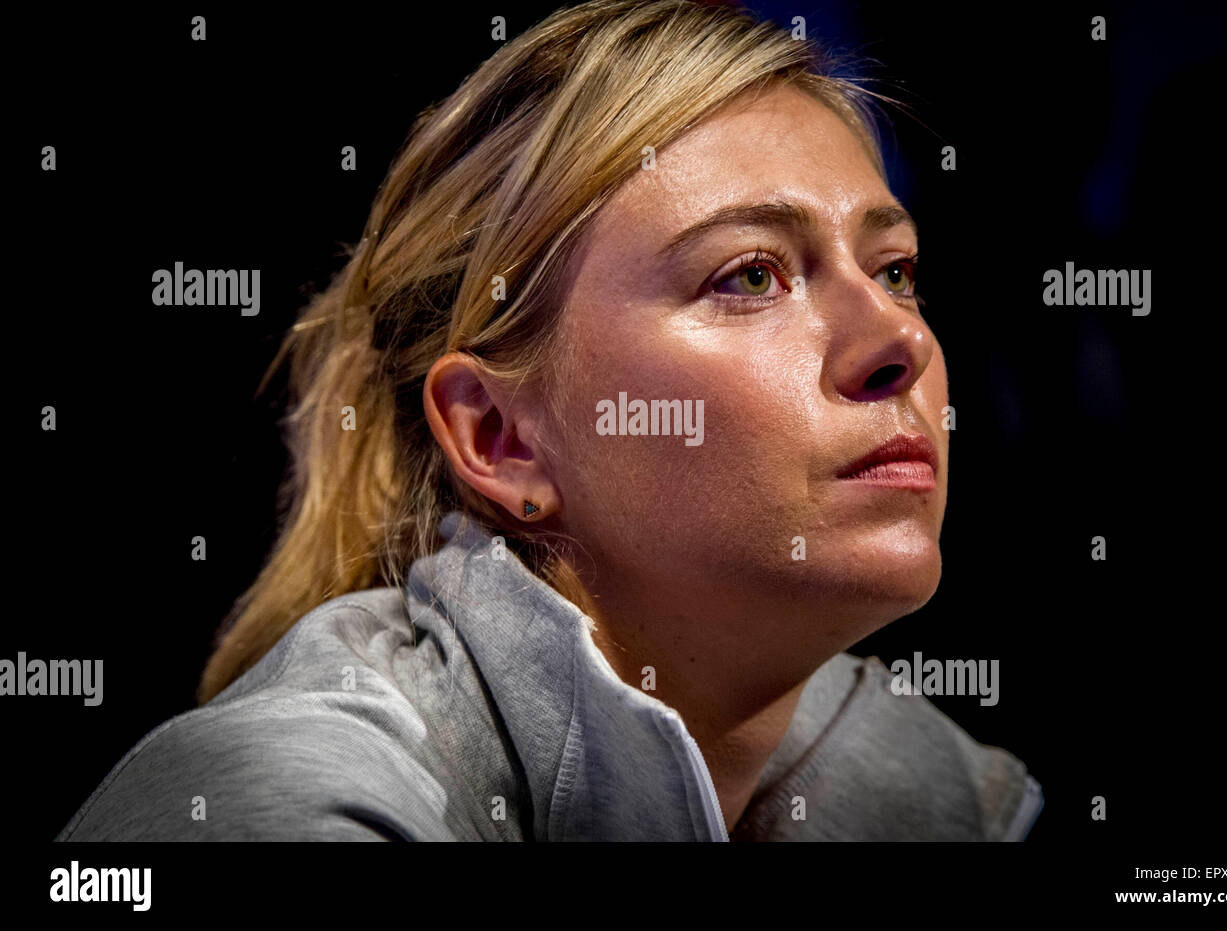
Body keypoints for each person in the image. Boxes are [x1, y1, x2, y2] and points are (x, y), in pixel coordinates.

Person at [57, 0, 1043, 841]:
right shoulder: (285, 804)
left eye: (895, 271)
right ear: (500, 438)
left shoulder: (960, 797)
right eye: (750, 274)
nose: (897, 342)